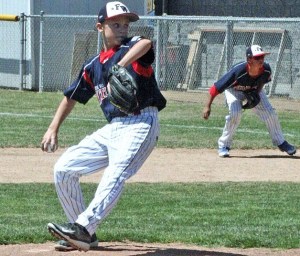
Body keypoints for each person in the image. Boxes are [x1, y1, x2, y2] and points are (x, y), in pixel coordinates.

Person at [41, 1, 166, 252]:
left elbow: (146, 44)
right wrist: (53, 127)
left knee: (116, 172)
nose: (122, 28)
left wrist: (120, 65)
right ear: (100, 27)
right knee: (64, 169)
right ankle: (84, 233)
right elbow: (72, 96)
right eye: (115, 24)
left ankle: (83, 228)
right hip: (113, 128)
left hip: (141, 122)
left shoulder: (132, 47)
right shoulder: (93, 65)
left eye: (125, 24)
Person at [203, 45, 296, 157]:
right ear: (249, 60)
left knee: (270, 113)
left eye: (262, 56)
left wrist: (256, 93)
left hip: (253, 89)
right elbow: (214, 89)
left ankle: (281, 143)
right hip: (234, 91)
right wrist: (207, 107)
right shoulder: (238, 72)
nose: (261, 60)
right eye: (257, 58)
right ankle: (224, 145)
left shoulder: (266, 70)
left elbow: (262, 81)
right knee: (235, 114)